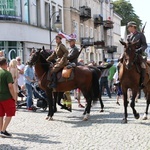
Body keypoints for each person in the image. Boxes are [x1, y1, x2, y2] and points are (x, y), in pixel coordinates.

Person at [120, 21, 147, 88]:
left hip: (137, 54)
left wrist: (138, 50)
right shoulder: (128, 36)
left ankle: (141, 82)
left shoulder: (140, 35)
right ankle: (119, 79)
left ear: (133, 27)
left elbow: (144, 45)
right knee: (119, 63)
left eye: (128, 27)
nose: (128, 28)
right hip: (129, 54)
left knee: (143, 66)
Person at [0, 57, 16, 137]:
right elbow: (10, 86)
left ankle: (1, 130)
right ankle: (3, 130)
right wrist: (14, 97)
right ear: (6, 64)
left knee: (0, 115)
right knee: (9, 114)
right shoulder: (7, 73)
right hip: (6, 97)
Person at [67, 36, 84, 108]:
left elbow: (70, 57)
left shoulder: (75, 49)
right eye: (69, 42)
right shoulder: (71, 49)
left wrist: (64, 56)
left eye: (70, 41)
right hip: (68, 62)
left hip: (72, 64)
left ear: (73, 42)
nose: (69, 43)